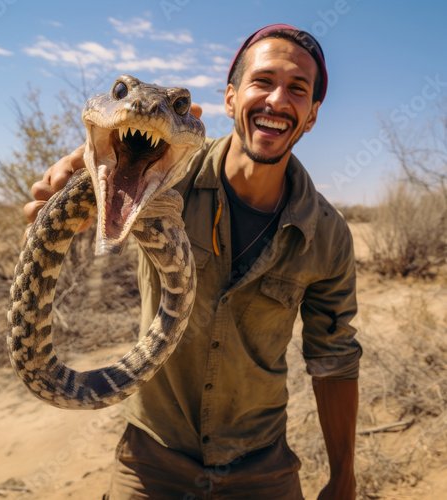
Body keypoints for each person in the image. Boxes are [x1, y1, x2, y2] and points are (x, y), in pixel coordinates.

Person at [24, 24, 362, 500]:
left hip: (261, 466)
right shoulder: (163, 179)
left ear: (311, 116)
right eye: (262, 81)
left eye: (298, 90)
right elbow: (120, 147)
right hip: (151, 461)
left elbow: (334, 360)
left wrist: (343, 478)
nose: (277, 100)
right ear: (230, 99)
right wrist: (92, 167)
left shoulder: (327, 235)